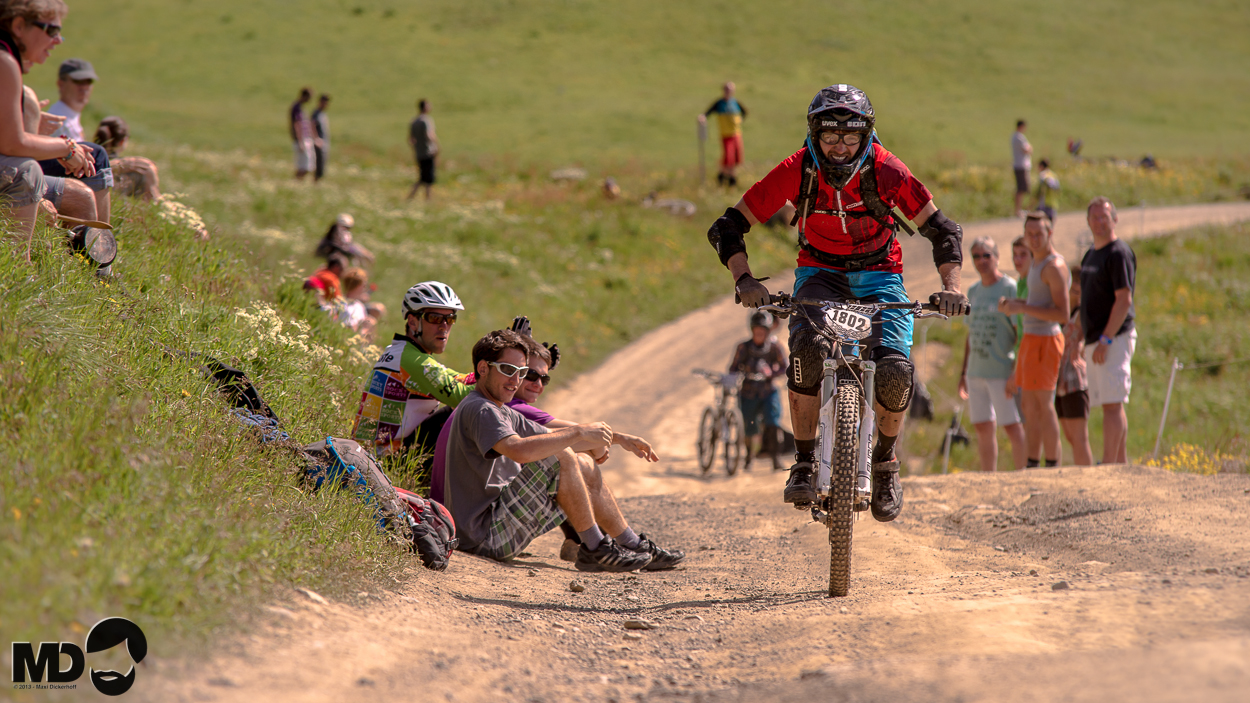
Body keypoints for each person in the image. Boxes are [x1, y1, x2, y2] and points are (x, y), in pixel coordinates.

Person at [706, 84, 969, 522]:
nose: (841, 148)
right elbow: (727, 226)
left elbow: (943, 231)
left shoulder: (888, 170)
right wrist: (744, 278)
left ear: (867, 135)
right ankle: (804, 461)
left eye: (851, 137)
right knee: (806, 354)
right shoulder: (797, 169)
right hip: (820, 274)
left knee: (895, 372)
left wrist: (953, 286)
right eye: (830, 137)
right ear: (813, 133)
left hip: (881, 274)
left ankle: (885, 464)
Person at [443, 329, 683, 571]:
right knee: (563, 454)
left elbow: (553, 438)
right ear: (483, 369)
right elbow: (518, 450)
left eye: (521, 372)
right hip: (483, 537)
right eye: (508, 370)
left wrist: (617, 439)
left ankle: (632, 545)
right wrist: (579, 433)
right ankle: (594, 548)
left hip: (495, 526)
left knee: (579, 460)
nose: (516, 380)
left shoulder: (501, 409)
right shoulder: (482, 408)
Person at [0, 0, 98, 263]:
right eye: (51, 30)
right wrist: (68, 148)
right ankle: (19, 271)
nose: (58, 40)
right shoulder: (4, 61)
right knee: (27, 171)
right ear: (19, 25)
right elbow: (12, 143)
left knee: (80, 181)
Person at [351, 281, 474, 462]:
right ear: (413, 322)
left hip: (377, 454)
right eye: (435, 318)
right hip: (382, 461)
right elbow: (464, 396)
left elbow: (460, 380)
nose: (444, 326)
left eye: (450, 318)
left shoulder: (403, 353)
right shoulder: (410, 360)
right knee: (460, 413)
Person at [998, 213, 1070, 468]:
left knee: (1044, 404)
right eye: (1030, 234)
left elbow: (1062, 313)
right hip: (1031, 338)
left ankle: (1051, 465)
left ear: (1050, 234)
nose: (1034, 239)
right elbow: (1037, 304)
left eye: (1039, 234)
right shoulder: (1037, 264)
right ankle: (1032, 463)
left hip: (1046, 340)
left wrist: (1022, 308)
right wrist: (1017, 305)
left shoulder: (1053, 266)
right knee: (1029, 405)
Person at [958, 237, 1027, 472]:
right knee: (982, 427)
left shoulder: (1009, 287)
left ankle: (1022, 476)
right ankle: (989, 478)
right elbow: (971, 333)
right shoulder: (973, 291)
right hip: (976, 371)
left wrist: (1016, 371)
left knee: (1012, 426)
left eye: (986, 255)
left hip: (1001, 370)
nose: (981, 260)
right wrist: (963, 372)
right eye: (976, 256)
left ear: (997, 257)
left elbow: (1020, 332)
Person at [1079, 197, 1136, 464]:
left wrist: (1105, 339)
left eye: (1105, 216)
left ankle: (1109, 467)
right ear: (1088, 221)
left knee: (1113, 405)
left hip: (1113, 338)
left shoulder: (1118, 253)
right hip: (1095, 340)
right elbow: (1087, 299)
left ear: (1115, 219)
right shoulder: (1091, 254)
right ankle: (1120, 465)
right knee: (1108, 405)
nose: (1100, 222)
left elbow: (1124, 300)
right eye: (1095, 217)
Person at [728, 310, 786, 471]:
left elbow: (784, 367)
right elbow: (733, 368)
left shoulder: (775, 347)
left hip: (768, 391)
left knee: (773, 423)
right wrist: (738, 377)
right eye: (756, 330)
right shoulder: (743, 347)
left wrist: (771, 374)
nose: (759, 333)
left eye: (762, 331)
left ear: (768, 331)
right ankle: (748, 458)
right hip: (748, 392)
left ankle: (776, 458)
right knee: (749, 427)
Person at [1056, 263, 1093, 466]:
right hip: (1058, 380)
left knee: (1079, 436)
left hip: (1076, 380)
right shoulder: (1060, 311)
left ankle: (1087, 479)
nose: (1076, 285)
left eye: (1080, 281)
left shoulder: (1085, 312)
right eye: (1073, 280)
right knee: (1069, 435)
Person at [93, 116, 159, 200]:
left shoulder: (87, 155)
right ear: (122, 141)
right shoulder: (129, 165)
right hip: (105, 197)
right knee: (148, 170)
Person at [699, 81, 747, 187]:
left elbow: (744, 112)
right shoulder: (719, 103)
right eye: (726, 89)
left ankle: (730, 176)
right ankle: (725, 176)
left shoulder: (735, 102)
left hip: (736, 133)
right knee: (728, 157)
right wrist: (703, 117)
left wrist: (740, 120)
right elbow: (708, 112)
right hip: (725, 134)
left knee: (736, 156)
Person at [46, 56, 90, 141]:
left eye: (88, 81)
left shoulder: (70, 116)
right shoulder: (61, 123)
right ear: (61, 84)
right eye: (78, 81)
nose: (84, 87)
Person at [407, 98, 438, 201]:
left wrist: (415, 149)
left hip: (419, 153)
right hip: (428, 151)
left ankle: (411, 197)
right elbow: (429, 135)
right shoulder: (426, 121)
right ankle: (428, 200)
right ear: (425, 107)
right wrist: (436, 146)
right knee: (428, 178)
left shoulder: (414, 121)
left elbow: (410, 139)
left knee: (422, 177)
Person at [289, 87, 313, 180]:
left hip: (304, 138)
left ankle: (298, 183)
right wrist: (300, 141)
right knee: (303, 166)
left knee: (307, 166)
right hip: (301, 139)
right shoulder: (297, 108)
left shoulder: (301, 108)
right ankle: (297, 183)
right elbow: (297, 124)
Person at [1011, 120, 1032, 218]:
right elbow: (1027, 149)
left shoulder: (1014, 137)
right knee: (1021, 188)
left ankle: (1019, 209)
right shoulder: (1019, 137)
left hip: (1018, 165)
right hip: (1021, 165)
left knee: (1022, 188)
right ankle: (1018, 210)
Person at [311, 93, 330, 182]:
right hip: (319, 143)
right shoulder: (316, 113)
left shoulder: (323, 114)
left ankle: (318, 183)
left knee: (322, 165)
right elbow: (312, 126)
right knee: (318, 165)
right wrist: (316, 139)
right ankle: (315, 183)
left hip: (325, 143)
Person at [1035, 158, 1060, 223]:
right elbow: (1058, 189)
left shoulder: (1043, 175)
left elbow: (1039, 191)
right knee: (1050, 225)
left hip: (1043, 204)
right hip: (1053, 203)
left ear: (1041, 166)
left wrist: (1033, 201)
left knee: (1041, 224)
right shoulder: (1054, 175)